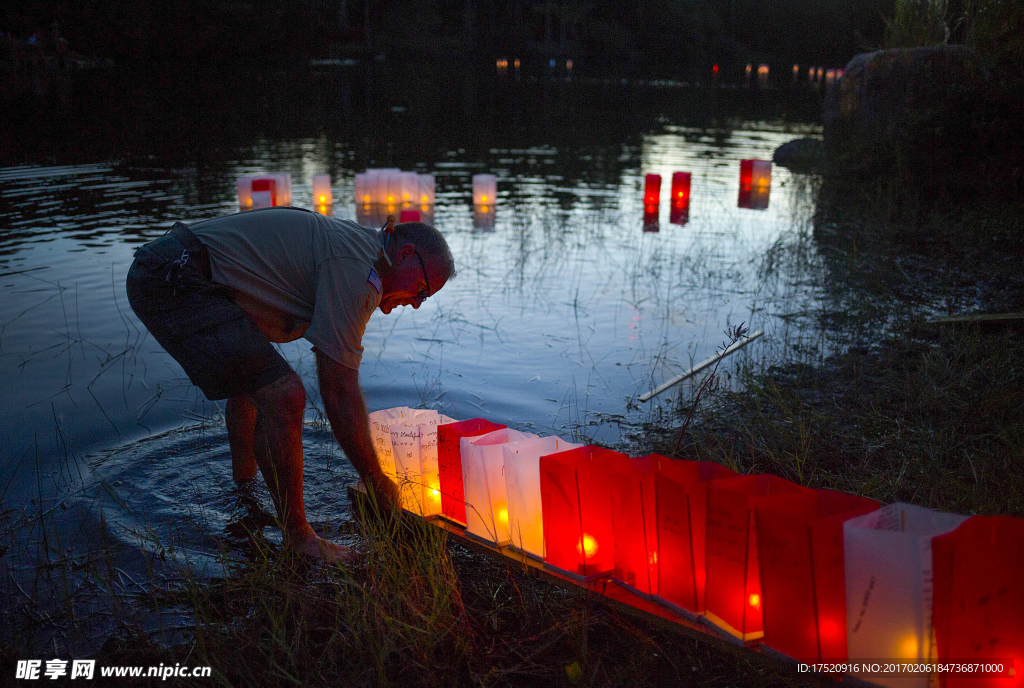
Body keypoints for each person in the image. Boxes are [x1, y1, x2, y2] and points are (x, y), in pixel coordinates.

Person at [125, 207, 455, 561]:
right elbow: (338, 388)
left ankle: (245, 492)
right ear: (405, 254)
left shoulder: (359, 250)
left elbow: (252, 383)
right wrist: (376, 479)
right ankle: (299, 537)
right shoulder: (359, 266)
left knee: (256, 386)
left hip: (173, 267)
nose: (417, 304)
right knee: (285, 396)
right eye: (421, 290)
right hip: (175, 275)